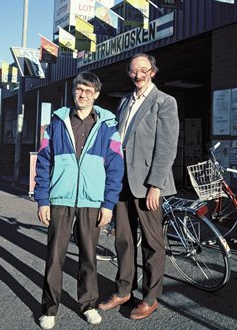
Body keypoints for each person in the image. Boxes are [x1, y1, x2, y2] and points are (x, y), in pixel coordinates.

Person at [34, 71, 124, 329]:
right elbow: (43, 162)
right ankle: (49, 309)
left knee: (88, 257)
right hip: (60, 199)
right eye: (79, 90)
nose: (82, 95)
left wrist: (108, 204)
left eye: (88, 91)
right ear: (73, 92)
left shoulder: (109, 126)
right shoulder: (56, 123)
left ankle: (88, 305)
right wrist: (42, 199)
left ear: (96, 94)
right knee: (54, 256)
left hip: (92, 201)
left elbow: (116, 167)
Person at [98, 53, 179, 320]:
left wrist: (156, 184)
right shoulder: (124, 102)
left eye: (144, 70)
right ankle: (124, 290)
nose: (138, 75)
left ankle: (150, 297)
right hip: (122, 181)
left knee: (153, 244)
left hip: (148, 185)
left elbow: (166, 147)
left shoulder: (164, 102)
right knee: (123, 239)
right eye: (134, 71)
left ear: (153, 72)